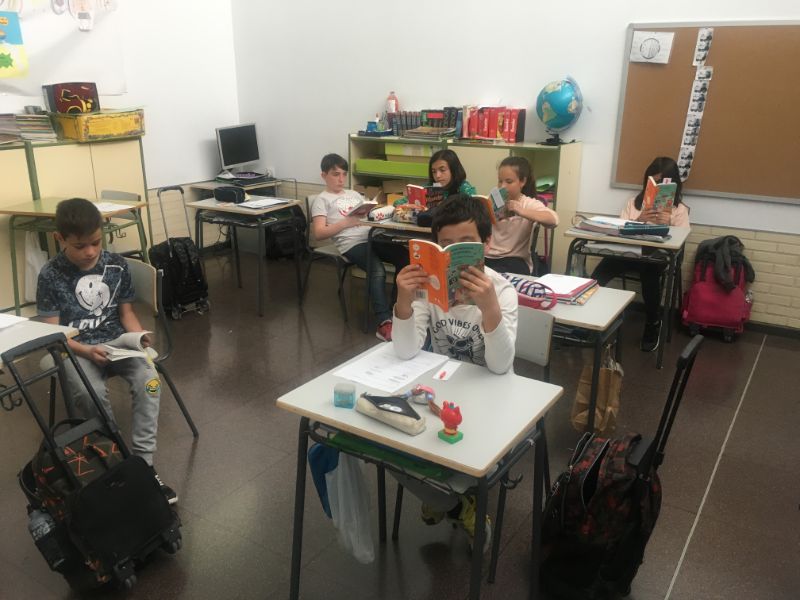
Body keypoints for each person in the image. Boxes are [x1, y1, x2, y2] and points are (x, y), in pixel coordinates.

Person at [392, 194, 518, 549]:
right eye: (445, 245)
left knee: (457, 455)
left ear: (486, 244)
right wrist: (404, 299)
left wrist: (489, 308)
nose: (454, 252)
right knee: (385, 444)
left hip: (492, 396)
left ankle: (441, 496)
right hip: (445, 390)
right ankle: (451, 501)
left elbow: (500, 366)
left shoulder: (502, 291)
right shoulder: (429, 289)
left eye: (465, 243)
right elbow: (405, 350)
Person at [37, 198, 177, 504]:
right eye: (80, 246)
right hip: (74, 348)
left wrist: (138, 336)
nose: (90, 251)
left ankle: (143, 464)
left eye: (96, 242)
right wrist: (87, 351)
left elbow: (126, 313)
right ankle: (113, 460)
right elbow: (53, 335)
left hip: (118, 343)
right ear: (60, 238)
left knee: (150, 381)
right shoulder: (50, 275)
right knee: (90, 393)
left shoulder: (116, 265)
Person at [591, 157, 690, 352]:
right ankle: (586, 319)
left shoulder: (679, 210)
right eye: (652, 182)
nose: (655, 187)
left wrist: (668, 223)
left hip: (656, 257)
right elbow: (620, 230)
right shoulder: (634, 203)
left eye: (662, 183)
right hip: (629, 252)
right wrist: (639, 219)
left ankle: (653, 323)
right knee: (599, 273)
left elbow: (680, 242)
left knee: (650, 273)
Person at [311, 153, 406, 341]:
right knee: (377, 270)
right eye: (335, 174)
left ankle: (398, 310)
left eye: (344, 174)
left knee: (404, 257)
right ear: (324, 175)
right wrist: (345, 223)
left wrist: (378, 213)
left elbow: (365, 215)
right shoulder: (322, 200)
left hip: (372, 236)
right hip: (351, 243)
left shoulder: (353, 194)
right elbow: (319, 233)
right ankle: (384, 322)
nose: (341, 179)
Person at [484, 156, 558, 275]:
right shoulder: (493, 200)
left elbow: (553, 219)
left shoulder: (527, 203)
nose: (502, 186)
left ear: (522, 181)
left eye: (509, 182)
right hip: (487, 256)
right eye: (500, 181)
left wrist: (521, 211)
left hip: (513, 259)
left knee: (495, 276)